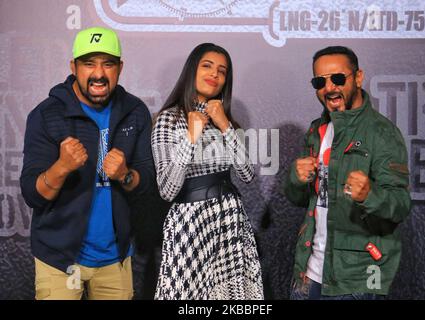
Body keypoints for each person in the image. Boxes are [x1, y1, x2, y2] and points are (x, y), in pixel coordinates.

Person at [20, 27, 155, 300]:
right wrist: (61, 167)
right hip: (60, 259)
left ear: (120, 67)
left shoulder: (134, 112)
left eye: (108, 64)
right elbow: (32, 194)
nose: (99, 74)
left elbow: (148, 183)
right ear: (73, 66)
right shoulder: (47, 114)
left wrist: (125, 174)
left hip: (114, 258)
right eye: (88, 63)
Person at [284, 46, 411, 300]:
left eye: (338, 78)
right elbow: (300, 199)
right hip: (308, 272)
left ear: (359, 77)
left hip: (355, 278)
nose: (330, 88)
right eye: (320, 81)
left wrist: (369, 195)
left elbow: (401, 205)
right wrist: (296, 180)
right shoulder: (316, 130)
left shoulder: (382, 133)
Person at [151, 43, 263, 300]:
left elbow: (247, 175)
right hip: (190, 223)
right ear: (192, 70)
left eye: (222, 71)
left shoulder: (226, 121)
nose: (215, 74)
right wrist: (191, 137)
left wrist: (225, 125)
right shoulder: (168, 119)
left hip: (229, 220)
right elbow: (167, 190)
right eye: (207, 66)